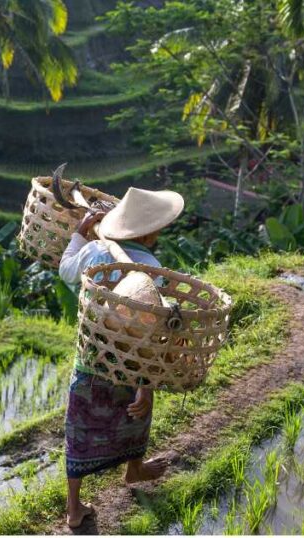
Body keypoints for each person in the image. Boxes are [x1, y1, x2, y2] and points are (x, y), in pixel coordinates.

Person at [58, 187, 185, 529]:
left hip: (92, 356)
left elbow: (65, 270)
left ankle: (74, 507)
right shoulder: (153, 269)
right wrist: (147, 384)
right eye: (158, 227)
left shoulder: (95, 250)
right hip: (132, 363)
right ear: (147, 233)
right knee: (137, 414)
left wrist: (79, 233)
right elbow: (152, 335)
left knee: (81, 426)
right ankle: (134, 468)